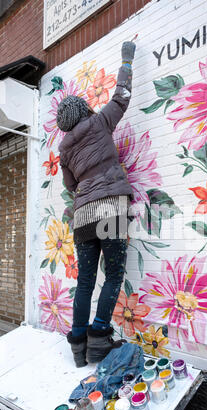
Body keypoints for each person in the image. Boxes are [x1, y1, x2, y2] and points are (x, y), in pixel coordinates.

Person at [56, 41, 136, 367]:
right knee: (114, 274)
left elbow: (71, 186)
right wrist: (127, 61)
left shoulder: (63, 151)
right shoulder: (100, 122)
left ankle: (78, 346)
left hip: (83, 215)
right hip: (110, 207)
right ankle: (99, 339)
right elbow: (122, 96)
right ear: (85, 110)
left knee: (85, 281)